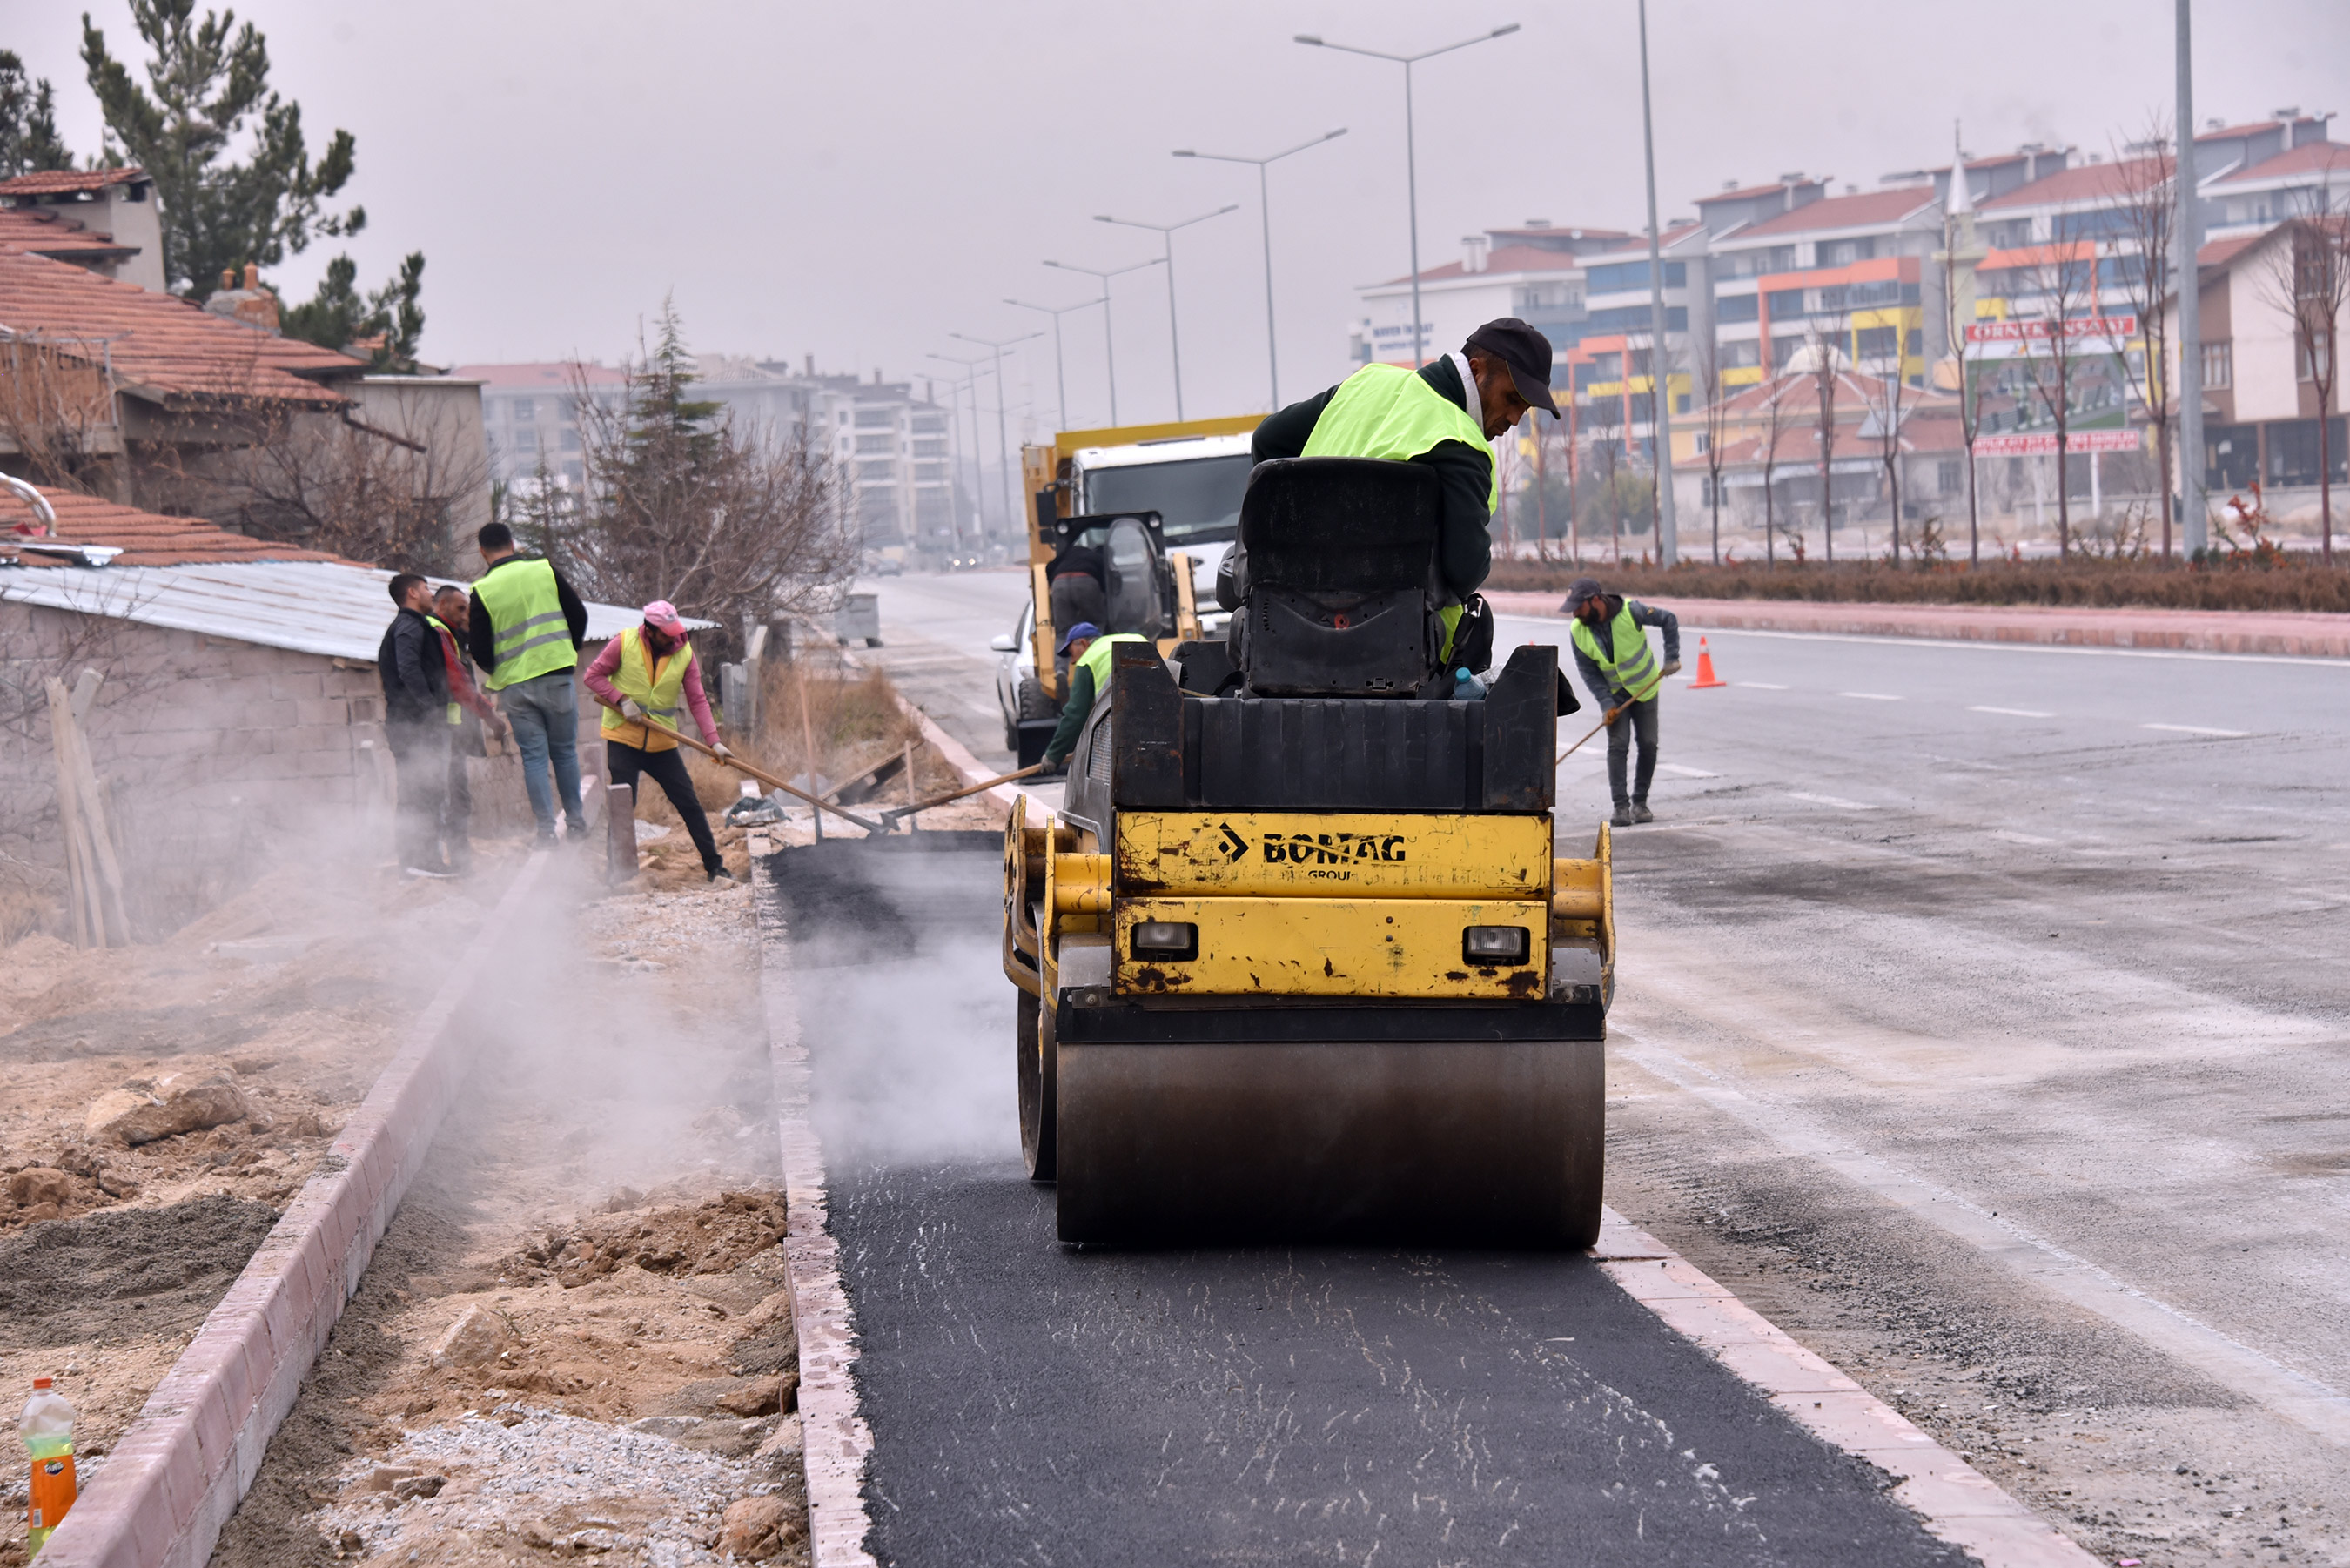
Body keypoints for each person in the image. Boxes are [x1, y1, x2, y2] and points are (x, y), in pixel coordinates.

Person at [1244, 317, 1560, 664]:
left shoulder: (1367, 383)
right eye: (1512, 399)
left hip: (1290, 619)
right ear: (1477, 369)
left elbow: (1267, 440)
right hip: (1400, 646)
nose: (1515, 419)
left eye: (1524, 409)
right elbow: (1465, 569)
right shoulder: (1460, 442)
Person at [582, 600, 737, 884]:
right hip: (623, 739)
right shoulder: (623, 643)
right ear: (650, 630)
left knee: (689, 803)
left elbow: (698, 699)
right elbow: (592, 676)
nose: (674, 639)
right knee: (623, 806)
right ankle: (614, 874)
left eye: (675, 632)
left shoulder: (684, 652)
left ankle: (714, 867)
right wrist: (622, 700)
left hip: (662, 743)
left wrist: (713, 741)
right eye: (667, 634)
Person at [467, 521, 589, 842]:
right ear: (513, 543)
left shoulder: (482, 591)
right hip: (557, 675)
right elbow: (578, 615)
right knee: (564, 753)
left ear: (483, 553)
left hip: (516, 688)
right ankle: (576, 824)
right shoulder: (543, 569)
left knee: (534, 758)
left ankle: (546, 832)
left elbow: (478, 648)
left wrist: (502, 670)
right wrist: (565, 650)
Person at [1564, 577, 1682, 828]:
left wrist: (1671, 657)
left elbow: (1668, 619)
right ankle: (1621, 807)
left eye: (1578, 606)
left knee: (1648, 744)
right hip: (1615, 695)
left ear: (1596, 600)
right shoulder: (1578, 631)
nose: (1574, 613)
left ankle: (1640, 803)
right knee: (1618, 746)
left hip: (1644, 689)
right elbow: (1589, 672)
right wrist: (1606, 704)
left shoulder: (1631, 611)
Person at [376, 573, 453, 877]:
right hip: (415, 727)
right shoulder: (408, 627)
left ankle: (419, 861)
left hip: (413, 725)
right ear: (411, 593)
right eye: (425, 588)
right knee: (420, 794)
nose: (430, 593)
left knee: (422, 793)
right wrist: (431, 710)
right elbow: (408, 670)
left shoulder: (413, 626)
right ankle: (420, 862)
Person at [430, 585, 509, 871]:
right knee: (456, 798)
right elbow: (459, 687)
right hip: (446, 733)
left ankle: (451, 860)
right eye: (461, 608)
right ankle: (458, 863)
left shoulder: (451, 638)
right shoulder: (440, 634)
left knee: (453, 797)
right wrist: (490, 716)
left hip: (450, 732)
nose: (467, 616)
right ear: (441, 606)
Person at [1039, 621, 1146, 773]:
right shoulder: (1138, 638)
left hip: (1125, 716)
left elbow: (1075, 714)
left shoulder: (1088, 659)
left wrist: (1053, 756)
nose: (1072, 661)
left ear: (1082, 644)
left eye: (1071, 653)